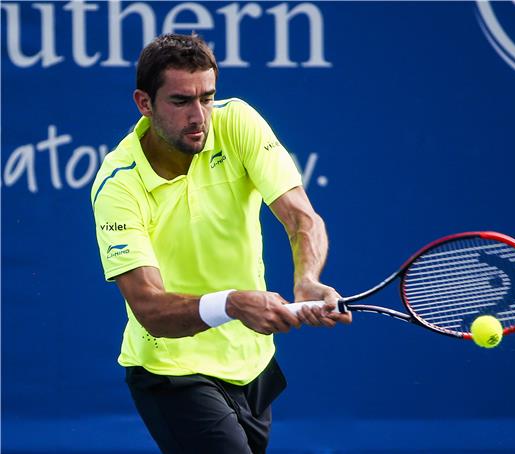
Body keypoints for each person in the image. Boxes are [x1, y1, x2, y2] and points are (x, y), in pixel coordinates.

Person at [91, 33, 351, 454]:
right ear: (144, 103)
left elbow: (301, 216)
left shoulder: (238, 122)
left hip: (252, 366)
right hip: (171, 371)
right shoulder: (119, 185)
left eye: (207, 98)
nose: (199, 116)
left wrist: (307, 279)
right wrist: (231, 303)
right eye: (180, 102)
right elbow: (149, 308)